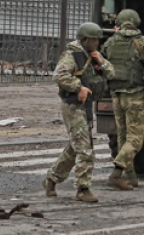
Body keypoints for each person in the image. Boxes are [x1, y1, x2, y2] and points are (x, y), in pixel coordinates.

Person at [44, 22, 115, 203]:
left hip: (85, 107)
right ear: (85, 39)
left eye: (98, 39)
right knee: (85, 149)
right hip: (73, 106)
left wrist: (100, 60)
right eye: (94, 39)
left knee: (74, 149)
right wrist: (78, 87)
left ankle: (51, 178)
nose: (97, 42)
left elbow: (112, 74)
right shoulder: (72, 55)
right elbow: (59, 76)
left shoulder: (92, 56)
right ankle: (83, 188)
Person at [100, 9, 144, 190]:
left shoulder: (110, 42)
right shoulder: (142, 42)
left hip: (116, 96)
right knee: (136, 139)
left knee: (123, 137)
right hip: (134, 95)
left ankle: (131, 177)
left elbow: (101, 62)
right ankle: (116, 173)